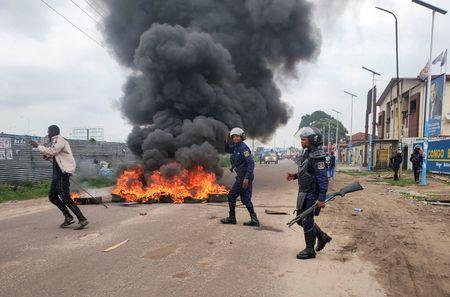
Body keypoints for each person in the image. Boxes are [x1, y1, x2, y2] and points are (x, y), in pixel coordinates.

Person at [29, 125, 89, 229]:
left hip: (63, 173)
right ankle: (68, 216)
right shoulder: (55, 141)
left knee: (65, 197)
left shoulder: (59, 139)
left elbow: (52, 151)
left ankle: (82, 219)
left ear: (53, 131)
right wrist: (48, 156)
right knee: (53, 197)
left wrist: (37, 145)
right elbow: (54, 153)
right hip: (57, 174)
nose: (47, 133)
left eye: (49, 131)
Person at [286, 127, 331, 260]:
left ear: (313, 140)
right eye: (301, 139)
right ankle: (322, 236)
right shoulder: (307, 153)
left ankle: (310, 249)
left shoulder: (318, 156)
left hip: (312, 193)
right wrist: (294, 176)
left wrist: (321, 198)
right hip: (303, 193)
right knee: (301, 219)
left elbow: (323, 179)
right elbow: (306, 172)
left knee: (307, 220)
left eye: (304, 139)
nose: (301, 142)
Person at [221, 127, 259, 227]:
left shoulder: (243, 148)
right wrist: (226, 140)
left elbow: (251, 163)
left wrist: (246, 178)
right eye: (233, 137)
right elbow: (227, 150)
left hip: (244, 176)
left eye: (237, 136)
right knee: (246, 199)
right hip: (243, 176)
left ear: (242, 137)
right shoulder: (236, 147)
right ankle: (254, 220)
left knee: (231, 196)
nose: (235, 138)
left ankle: (232, 218)